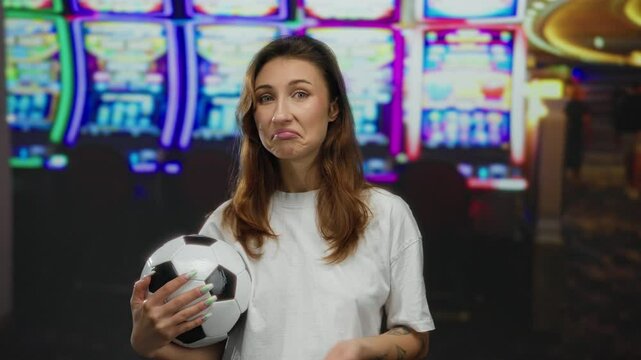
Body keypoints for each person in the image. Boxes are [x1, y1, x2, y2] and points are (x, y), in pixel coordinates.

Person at [130, 35, 435, 360]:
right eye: (265, 98)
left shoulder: (385, 214)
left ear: (333, 108)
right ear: (253, 116)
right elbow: (214, 353)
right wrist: (148, 343)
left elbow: (414, 338)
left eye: (300, 94)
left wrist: (361, 348)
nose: (280, 114)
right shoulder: (227, 222)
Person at [563, 83, 591, 182]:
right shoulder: (583, 106)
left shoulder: (569, 105)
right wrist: (587, 132)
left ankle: (566, 173)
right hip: (577, 132)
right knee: (577, 154)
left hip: (570, 132)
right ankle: (576, 175)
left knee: (569, 152)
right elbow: (586, 120)